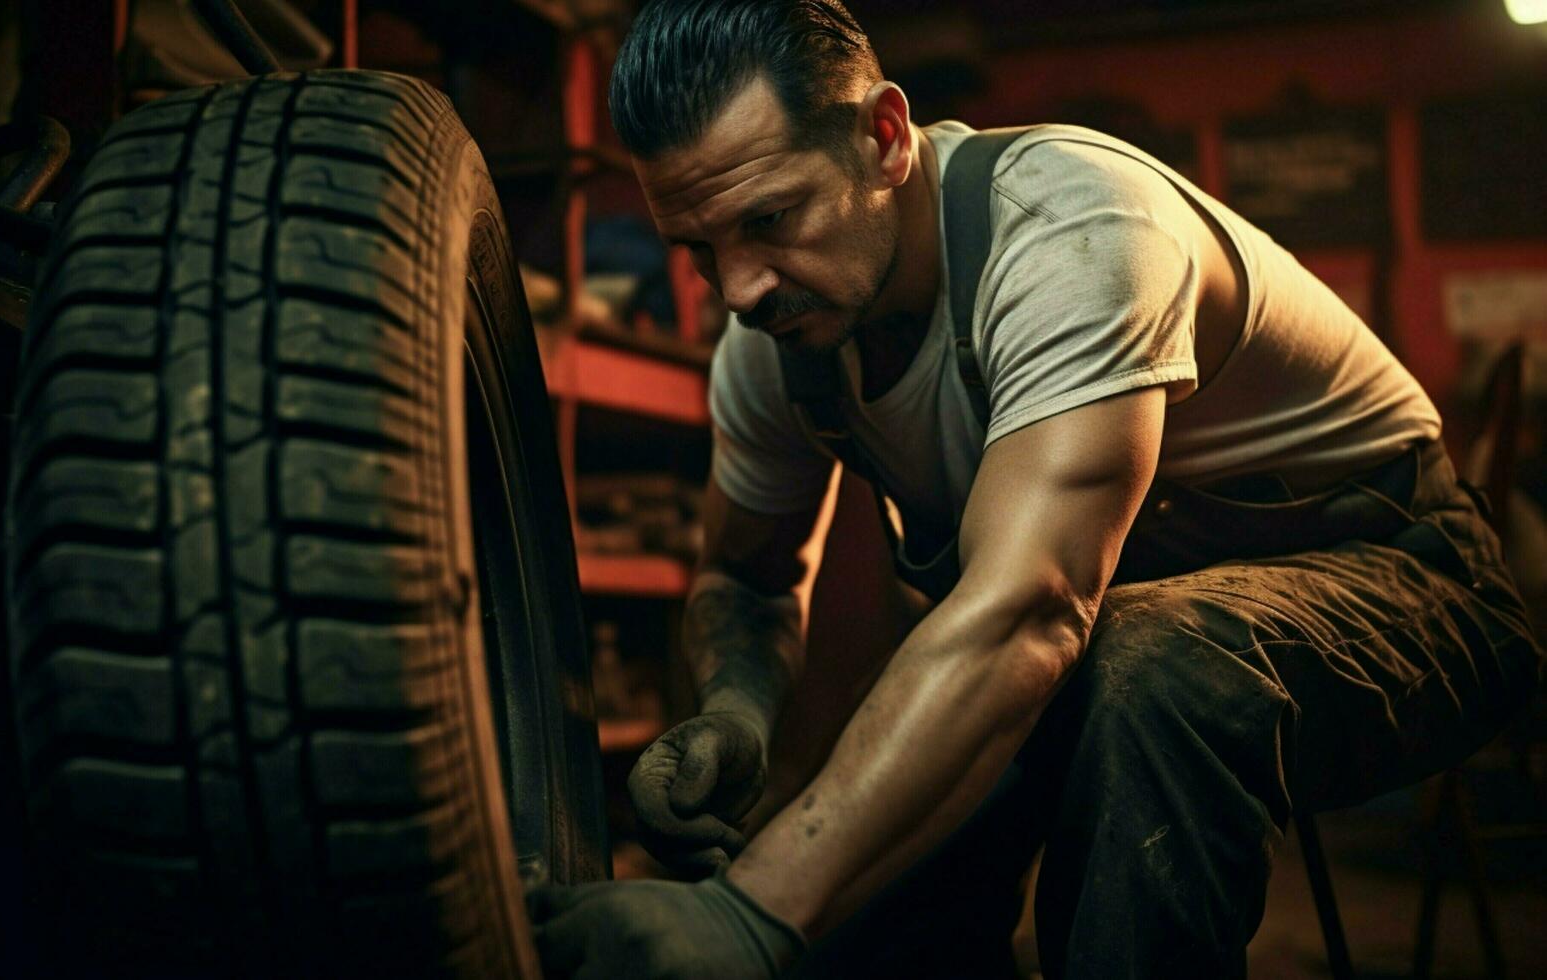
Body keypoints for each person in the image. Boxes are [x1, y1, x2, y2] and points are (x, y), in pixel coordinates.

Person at [528, 1, 1543, 976]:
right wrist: (739, 710)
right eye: (701, 248)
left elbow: (1036, 609)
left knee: (1146, 671)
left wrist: (752, 913)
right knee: (859, 904)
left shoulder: (1072, 228)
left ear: (885, 137)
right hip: (1112, 642)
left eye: (772, 216)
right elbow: (745, 574)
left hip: (1417, 586)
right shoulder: (781, 342)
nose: (740, 287)